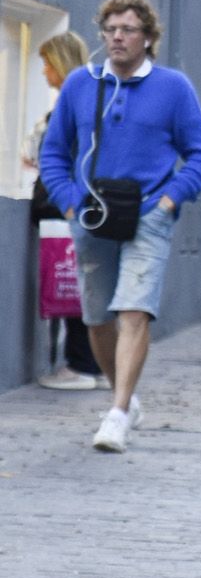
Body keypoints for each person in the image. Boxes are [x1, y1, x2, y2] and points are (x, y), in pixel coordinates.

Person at [38, 0, 201, 453]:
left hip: (149, 218)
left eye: (128, 29)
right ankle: (126, 396)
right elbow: (54, 153)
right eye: (110, 29)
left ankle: (116, 413)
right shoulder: (81, 84)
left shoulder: (173, 88)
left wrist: (170, 202)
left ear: (149, 37)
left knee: (134, 311)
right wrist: (70, 203)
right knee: (98, 318)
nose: (118, 37)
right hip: (91, 218)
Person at [27, 30, 106, 391]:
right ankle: (97, 365)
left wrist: (69, 204)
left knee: (73, 285)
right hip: (81, 207)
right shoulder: (89, 101)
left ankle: (82, 365)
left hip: (69, 209)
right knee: (85, 286)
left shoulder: (72, 107)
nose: (44, 72)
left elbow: (67, 160)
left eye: (46, 64)